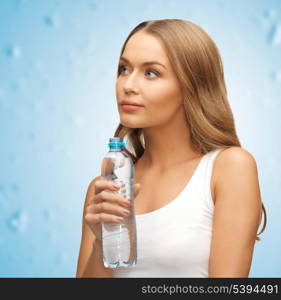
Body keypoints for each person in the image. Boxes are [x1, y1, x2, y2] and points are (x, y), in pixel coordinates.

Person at [76, 19, 267, 278]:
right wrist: (102, 242)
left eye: (151, 73)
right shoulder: (105, 188)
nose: (128, 85)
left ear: (192, 85)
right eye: (123, 69)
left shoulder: (228, 168)